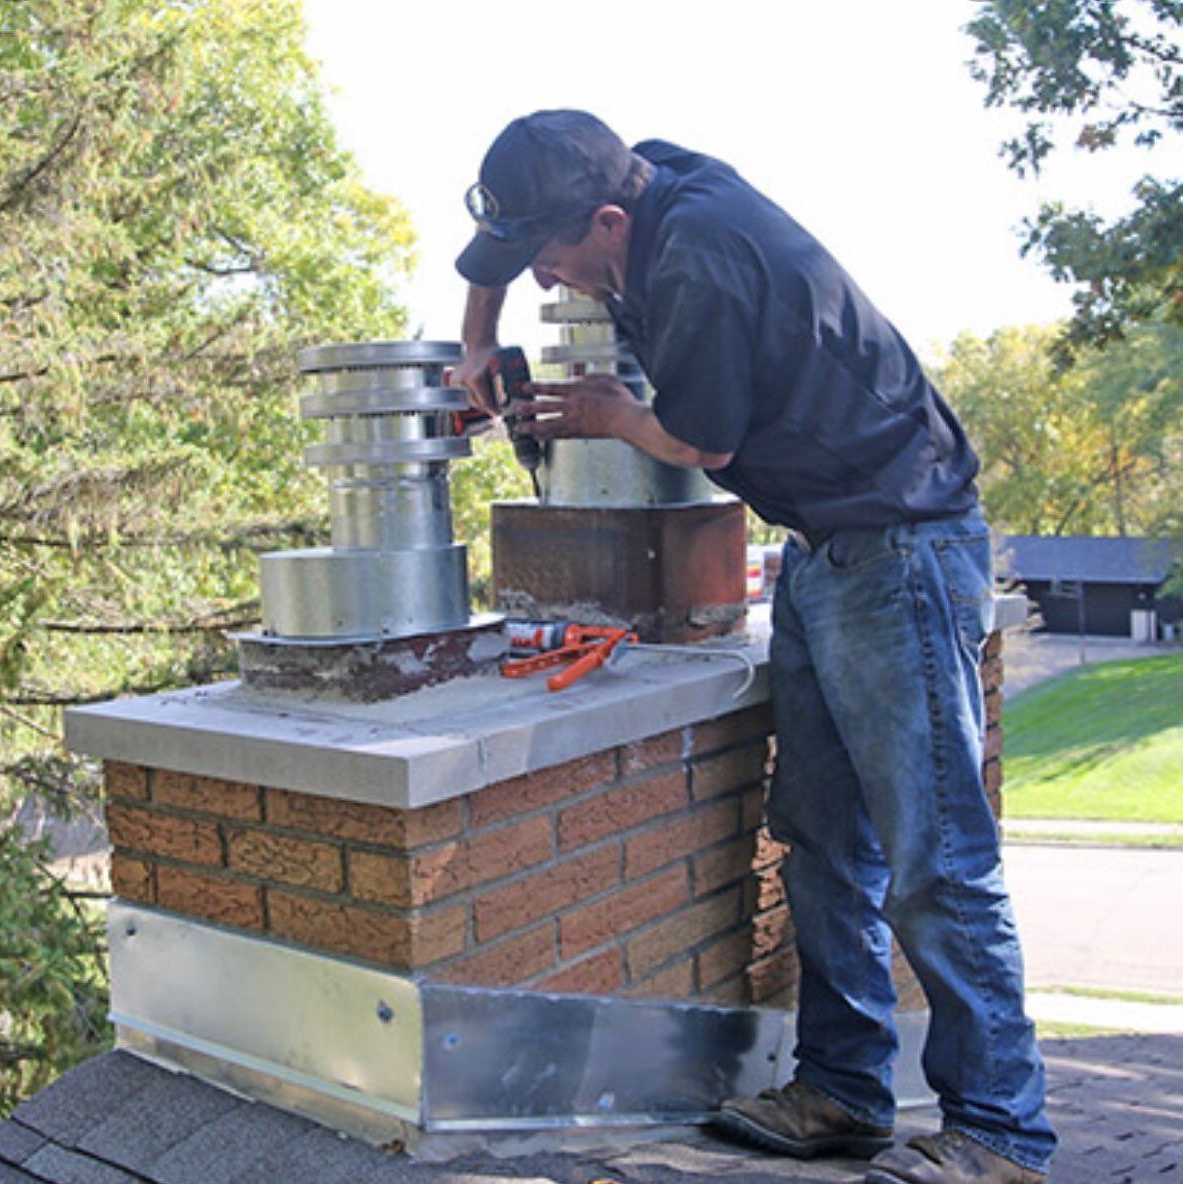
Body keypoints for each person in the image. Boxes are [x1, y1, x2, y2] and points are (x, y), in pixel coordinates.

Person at [452, 109, 1055, 1184]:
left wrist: (608, 414)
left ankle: (1002, 1133)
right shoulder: (640, 180)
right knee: (822, 839)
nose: (544, 283)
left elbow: (700, 440)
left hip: (902, 549)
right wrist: (476, 335)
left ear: (606, 218)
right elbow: (511, 257)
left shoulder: (700, 263)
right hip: (829, 549)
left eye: (550, 257)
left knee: (934, 856)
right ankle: (843, 1087)